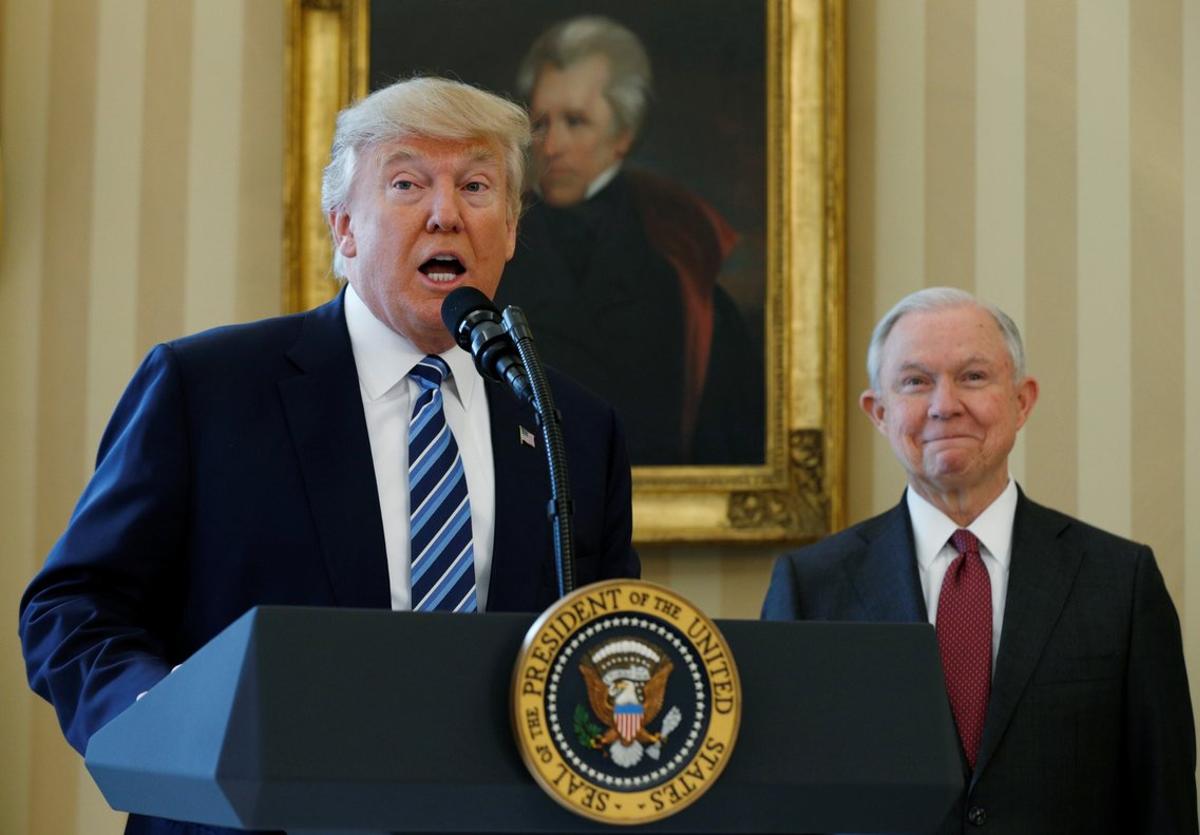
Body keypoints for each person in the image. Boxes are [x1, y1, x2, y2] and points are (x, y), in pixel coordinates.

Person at [19, 77, 640, 835]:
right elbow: (72, 608)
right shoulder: (207, 389)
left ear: (509, 229)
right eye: (408, 182)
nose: (446, 213)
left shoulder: (573, 424)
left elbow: (606, 647)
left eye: (476, 186)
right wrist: (166, 720)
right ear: (344, 228)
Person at [762, 287, 1197, 834]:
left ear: (1022, 401)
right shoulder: (811, 586)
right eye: (916, 381)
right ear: (879, 411)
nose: (945, 404)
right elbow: (780, 806)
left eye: (972, 376)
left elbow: (1166, 805)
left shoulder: (1120, 582)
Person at [493, 15, 764, 466]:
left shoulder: (678, 254)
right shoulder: (496, 242)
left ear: (623, 135)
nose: (552, 144)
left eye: (575, 122)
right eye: (541, 123)